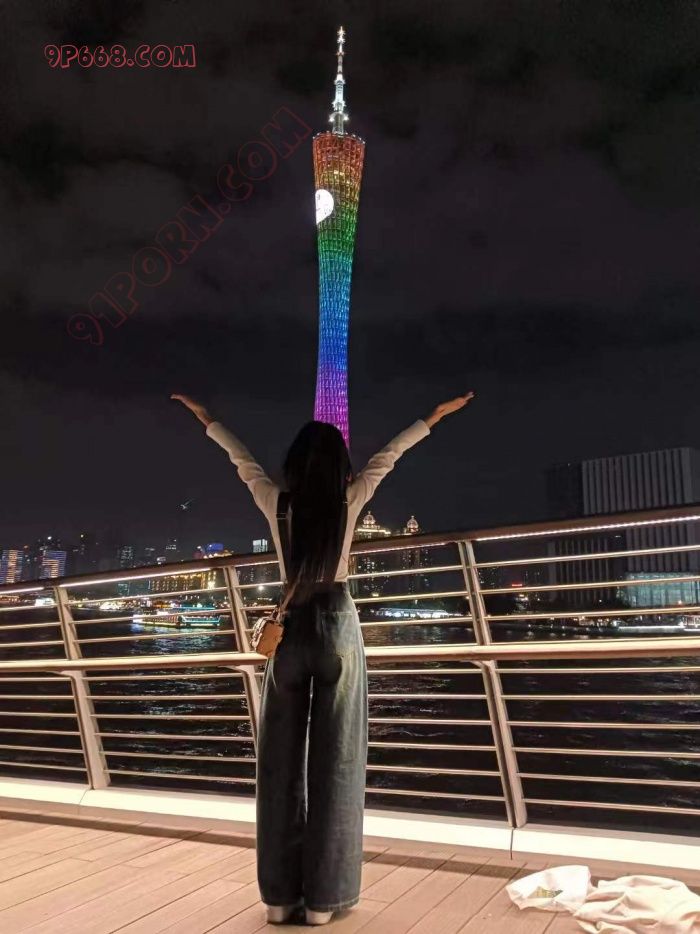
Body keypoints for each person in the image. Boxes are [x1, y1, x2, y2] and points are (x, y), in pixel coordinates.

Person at [171, 392, 475, 925]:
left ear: (294, 463)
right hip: (336, 623)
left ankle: (279, 899)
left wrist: (208, 419)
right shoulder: (349, 500)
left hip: (290, 626)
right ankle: (323, 902)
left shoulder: (277, 502)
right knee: (338, 763)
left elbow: (243, 463)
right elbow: (389, 456)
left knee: (279, 763)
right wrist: (432, 417)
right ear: (339, 465)